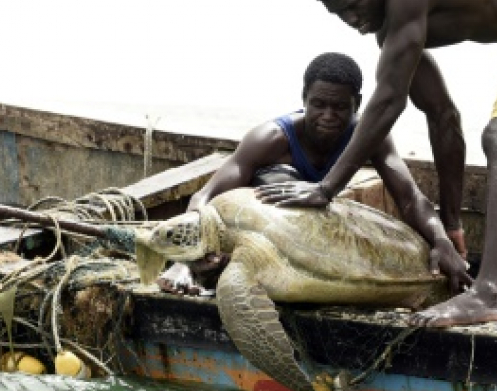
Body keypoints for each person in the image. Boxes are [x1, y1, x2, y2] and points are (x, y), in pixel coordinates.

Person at [254, 0, 497, 328]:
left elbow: (388, 102)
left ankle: (489, 293)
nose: (353, 21)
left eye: (354, 4)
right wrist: (452, 225)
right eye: (340, 15)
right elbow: (443, 117)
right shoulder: (392, 33)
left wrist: (327, 187)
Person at [157, 52, 471, 296]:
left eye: (340, 108)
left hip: (313, 249)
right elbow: (205, 197)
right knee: (278, 179)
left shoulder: (369, 137)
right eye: (318, 105)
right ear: (304, 98)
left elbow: (411, 199)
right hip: (261, 241)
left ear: (357, 105)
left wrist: (442, 240)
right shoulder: (270, 139)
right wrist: (184, 261)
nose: (328, 116)